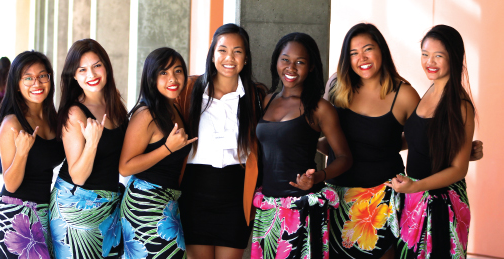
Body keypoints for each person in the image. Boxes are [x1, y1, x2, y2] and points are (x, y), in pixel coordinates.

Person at [318, 23, 421, 259]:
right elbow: (328, 141)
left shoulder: (403, 94)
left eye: (368, 49)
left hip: (382, 201)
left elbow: (421, 141)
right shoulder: (336, 86)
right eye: (353, 53)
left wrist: (462, 151)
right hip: (337, 199)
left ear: (381, 50)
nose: (361, 58)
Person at [251, 32, 352, 259]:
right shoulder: (267, 100)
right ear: (276, 61)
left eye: (300, 62)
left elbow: (345, 157)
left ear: (312, 67)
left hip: (301, 208)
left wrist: (317, 177)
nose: (291, 68)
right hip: (268, 208)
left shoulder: (319, 108)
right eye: (285, 59)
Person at [176, 23, 266, 259]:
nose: (230, 57)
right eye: (223, 50)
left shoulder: (256, 96)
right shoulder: (189, 90)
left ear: (246, 58)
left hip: (236, 196)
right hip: (194, 193)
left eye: (237, 51)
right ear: (212, 54)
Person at [389, 24, 475, 259]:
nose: (430, 62)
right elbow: (420, 139)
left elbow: (459, 169)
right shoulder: (427, 92)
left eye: (439, 56)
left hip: (442, 204)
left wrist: (415, 187)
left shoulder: (460, 104)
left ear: (454, 58)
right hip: (413, 197)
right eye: (425, 54)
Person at [49, 39, 127, 259]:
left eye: (97, 65)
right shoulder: (75, 113)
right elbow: (78, 176)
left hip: (108, 211)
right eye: (82, 69)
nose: (91, 74)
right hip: (76, 210)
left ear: (107, 67)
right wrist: (92, 142)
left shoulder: (115, 105)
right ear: (73, 76)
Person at [119, 47, 196, 259]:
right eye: (163, 72)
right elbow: (125, 166)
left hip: (168, 203)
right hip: (145, 203)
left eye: (178, 71)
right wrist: (167, 148)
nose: (172, 78)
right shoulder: (146, 114)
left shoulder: (174, 109)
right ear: (151, 78)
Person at [0, 51, 64, 259]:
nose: (37, 83)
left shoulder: (52, 118)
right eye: (28, 78)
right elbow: (11, 185)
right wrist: (22, 152)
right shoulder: (12, 123)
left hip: (43, 214)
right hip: (16, 217)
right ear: (16, 84)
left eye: (42, 75)